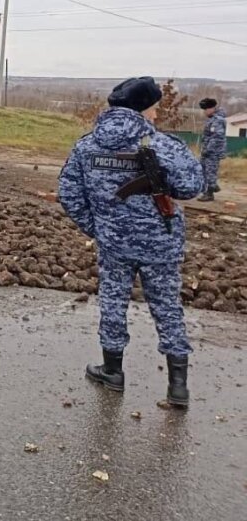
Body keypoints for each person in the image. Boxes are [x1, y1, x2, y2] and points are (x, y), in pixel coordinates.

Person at [58, 76, 203, 409]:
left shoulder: (87, 145)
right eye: (153, 109)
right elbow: (192, 186)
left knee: (112, 301)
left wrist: (97, 227)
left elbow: (68, 193)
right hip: (160, 243)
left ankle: (112, 371)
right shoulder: (161, 144)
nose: (155, 116)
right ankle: (177, 387)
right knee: (167, 307)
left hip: (113, 243)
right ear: (142, 108)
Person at [197, 98, 227, 202]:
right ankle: (212, 186)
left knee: (209, 172)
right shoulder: (213, 118)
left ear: (212, 108)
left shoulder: (217, 120)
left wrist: (207, 150)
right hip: (208, 151)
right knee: (203, 170)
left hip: (212, 152)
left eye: (206, 109)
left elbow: (217, 137)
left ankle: (209, 193)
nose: (204, 112)